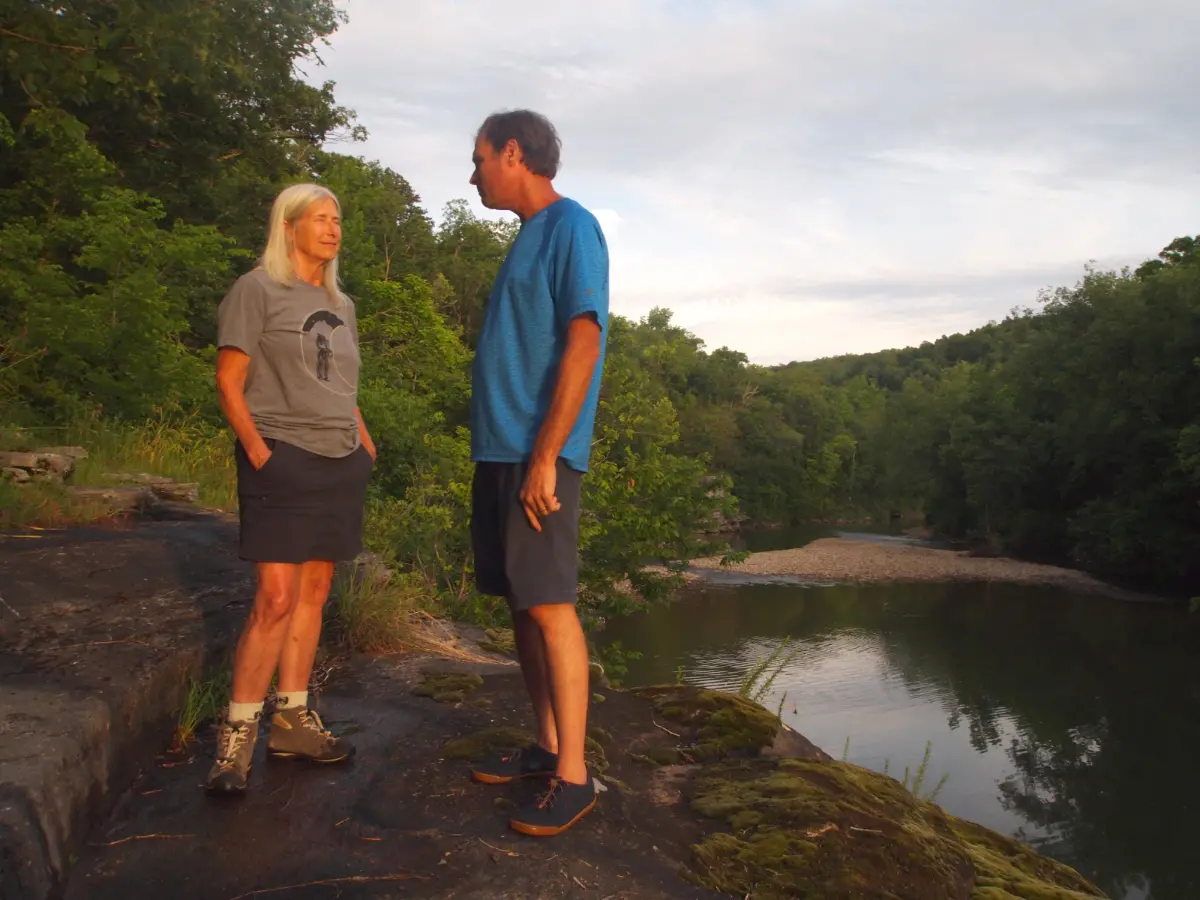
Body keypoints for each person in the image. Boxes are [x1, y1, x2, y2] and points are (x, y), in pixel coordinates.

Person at [465, 109, 609, 836]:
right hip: (499, 451)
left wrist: (547, 456)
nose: (474, 172)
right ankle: (547, 748)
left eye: (480, 158)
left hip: (535, 455)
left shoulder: (571, 226)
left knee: (550, 603)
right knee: (522, 602)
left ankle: (576, 778)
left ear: (513, 153)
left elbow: (585, 340)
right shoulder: (524, 239)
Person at [206, 183, 376, 794]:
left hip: (339, 457)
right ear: (290, 226)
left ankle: (293, 721)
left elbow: (339, 383)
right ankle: (235, 742)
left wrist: (363, 437)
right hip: (281, 454)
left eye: (338, 220)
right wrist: (258, 452)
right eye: (321, 220)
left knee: (316, 589)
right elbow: (230, 382)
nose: (333, 230)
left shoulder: (341, 302)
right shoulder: (255, 290)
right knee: (274, 599)